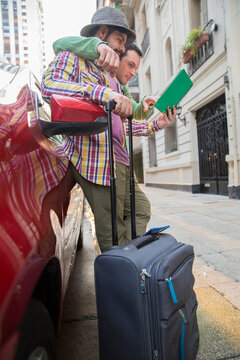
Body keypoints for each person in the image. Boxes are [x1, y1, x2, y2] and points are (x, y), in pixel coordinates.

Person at [41, 6, 176, 252]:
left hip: (119, 162)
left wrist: (156, 122)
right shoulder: (74, 58)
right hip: (96, 162)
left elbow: (122, 125)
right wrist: (102, 93)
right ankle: (121, 275)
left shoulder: (110, 76)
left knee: (139, 212)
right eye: (119, 40)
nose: (123, 49)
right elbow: (49, 86)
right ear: (102, 33)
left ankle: (128, 263)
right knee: (113, 234)